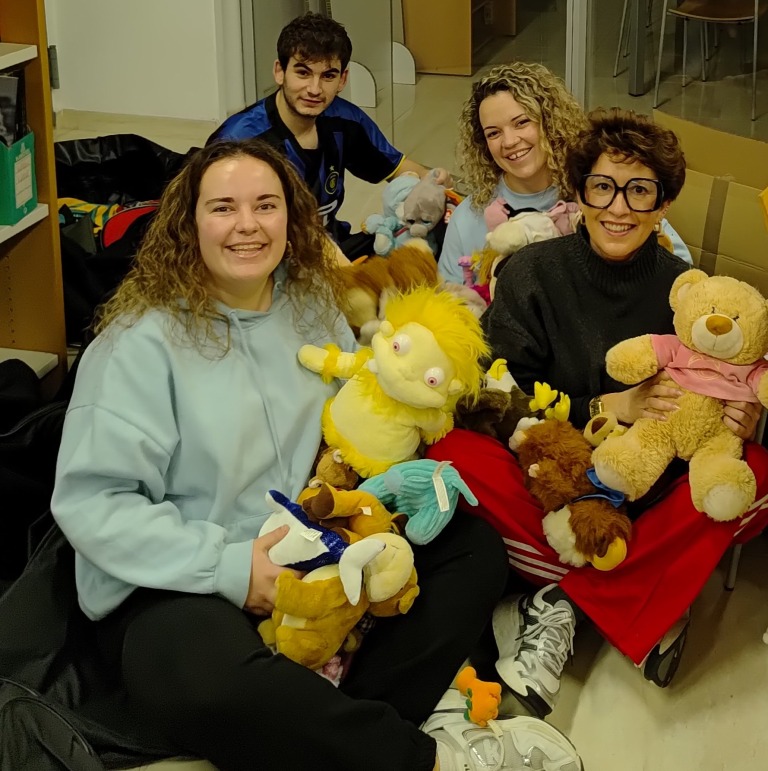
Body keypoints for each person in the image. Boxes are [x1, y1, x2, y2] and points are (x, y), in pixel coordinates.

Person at [49, 138, 583, 771]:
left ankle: (325, 728)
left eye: (265, 205)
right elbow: (95, 504)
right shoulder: (137, 345)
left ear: (290, 216)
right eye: (223, 208)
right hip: (185, 575)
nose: (247, 225)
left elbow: (353, 420)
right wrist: (232, 568)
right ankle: (424, 760)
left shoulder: (309, 307)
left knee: (475, 551)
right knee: (202, 679)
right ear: (187, 223)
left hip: (316, 538)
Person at [428, 109, 768, 719]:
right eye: (603, 186)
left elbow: (722, 385)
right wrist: (606, 406)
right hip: (546, 471)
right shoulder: (533, 272)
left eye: (640, 191)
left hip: (640, 483)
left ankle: (562, 602)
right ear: (579, 192)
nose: (619, 208)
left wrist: (735, 420)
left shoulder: (688, 291)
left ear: (663, 204)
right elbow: (492, 391)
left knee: (754, 474)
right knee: (450, 452)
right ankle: (636, 594)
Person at [208, 12, 452, 260]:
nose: (315, 89)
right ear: (280, 72)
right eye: (303, 73)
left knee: (422, 242)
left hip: (330, 247)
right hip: (264, 258)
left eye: (328, 76)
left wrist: (434, 180)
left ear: (342, 79)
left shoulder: (346, 121)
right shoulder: (239, 139)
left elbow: (402, 169)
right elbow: (209, 222)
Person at [437, 62, 691, 285]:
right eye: (494, 133)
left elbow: (680, 269)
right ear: (483, 144)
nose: (510, 141)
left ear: (550, 122)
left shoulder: (597, 190)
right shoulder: (469, 218)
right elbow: (449, 303)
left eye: (522, 122)